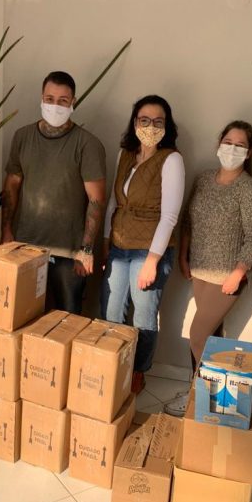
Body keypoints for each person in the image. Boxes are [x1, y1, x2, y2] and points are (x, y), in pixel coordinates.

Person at [163, 120, 252, 416]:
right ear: (219, 143)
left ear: (249, 152)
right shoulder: (204, 179)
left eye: (240, 145)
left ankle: (199, 396)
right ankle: (214, 403)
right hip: (199, 271)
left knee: (197, 336)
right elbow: (187, 220)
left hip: (227, 277)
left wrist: (238, 273)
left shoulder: (248, 189)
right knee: (212, 340)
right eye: (228, 142)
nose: (232, 149)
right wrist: (183, 256)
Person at [1, 71, 106, 315]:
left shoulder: (87, 144)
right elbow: (11, 186)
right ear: (41, 98)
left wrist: (86, 250)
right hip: (26, 247)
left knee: (67, 318)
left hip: (69, 254)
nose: (55, 106)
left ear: (73, 102)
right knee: (25, 315)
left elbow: (97, 199)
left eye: (62, 100)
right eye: (49, 99)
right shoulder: (22, 137)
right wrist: (6, 231)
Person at [100, 95, 185, 394]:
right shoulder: (125, 154)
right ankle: (113, 368)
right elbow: (114, 202)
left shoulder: (171, 159)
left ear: (167, 126)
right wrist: (106, 241)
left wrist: (152, 261)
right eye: (144, 120)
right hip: (119, 245)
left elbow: (170, 215)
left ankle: (137, 372)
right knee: (111, 312)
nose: (151, 127)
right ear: (135, 122)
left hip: (150, 250)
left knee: (143, 316)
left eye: (158, 121)